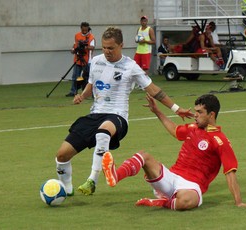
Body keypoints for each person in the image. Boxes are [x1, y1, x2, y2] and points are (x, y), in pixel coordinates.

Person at [55, 27, 193, 196]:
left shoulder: (130, 66)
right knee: (62, 155)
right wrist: (82, 96)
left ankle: (92, 180)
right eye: (104, 47)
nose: (107, 51)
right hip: (94, 115)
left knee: (103, 133)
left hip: (117, 117)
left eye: (111, 48)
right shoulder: (96, 61)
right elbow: (91, 85)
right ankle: (66, 188)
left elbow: (154, 89)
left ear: (121, 45)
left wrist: (176, 109)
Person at [102, 93, 246, 210]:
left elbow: (230, 172)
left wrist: (239, 201)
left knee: (188, 201)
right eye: (195, 111)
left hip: (191, 186)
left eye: (200, 112)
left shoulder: (220, 140)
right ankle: (116, 175)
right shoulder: (191, 128)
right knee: (145, 157)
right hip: (171, 177)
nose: (195, 114)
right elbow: (174, 130)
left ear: (211, 115)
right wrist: (157, 111)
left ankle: (162, 202)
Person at [65, 22, 95, 97]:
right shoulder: (77, 35)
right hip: (77, 59)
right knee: (75, 76)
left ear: (88, 28)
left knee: (86, 77)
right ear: (81, 28)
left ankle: (87, 92)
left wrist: (85, 47)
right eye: (83, 29)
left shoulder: (91, 37)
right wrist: (73, 49)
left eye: (86, 29)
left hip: (87, 60)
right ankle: (73, 91)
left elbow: (92, 47)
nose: (85, 31)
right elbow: (75, 44)